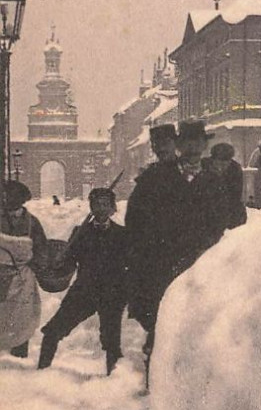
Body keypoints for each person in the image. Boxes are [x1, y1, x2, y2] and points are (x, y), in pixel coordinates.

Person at [125, 119, 214, 380]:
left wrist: (204, 246)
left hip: (198, 261)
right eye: (187, 142)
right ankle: (157, 380)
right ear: (179, 145)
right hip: (159, 261)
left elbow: (224, 217)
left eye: (198, 142)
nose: (193, 148)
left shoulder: (212, 179)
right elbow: (136, 219)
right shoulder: (156, 177)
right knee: (159, 320)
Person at [37, 188, 128, 375]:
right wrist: (58, 263)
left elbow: (130, 266)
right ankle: (41, 373)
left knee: (111, 341)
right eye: (97, 204)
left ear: (113, 209)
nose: (101, 209)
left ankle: (113, 380)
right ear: (91, 207)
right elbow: (69, 261)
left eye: (105, 204)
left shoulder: (122, 235)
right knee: (53, 331)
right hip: (84, 291)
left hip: (112, 293)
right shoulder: (80, 232)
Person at [0, 181, 47, 357]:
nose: (7, 199)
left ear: (21, 199)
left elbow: (41, 248)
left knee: (22, 317)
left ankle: (19, 355)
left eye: (11, 195)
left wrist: (38, 264)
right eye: (5, 195)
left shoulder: (32, 223)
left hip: (22, 278)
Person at [198, 141, 247, 247]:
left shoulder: (235, 169)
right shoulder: (203, 166)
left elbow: (234, 196)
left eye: (226, 163)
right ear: (213, 159)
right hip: (206, 210)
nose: (222, 167)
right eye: (219, 162)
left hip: (230, 211)